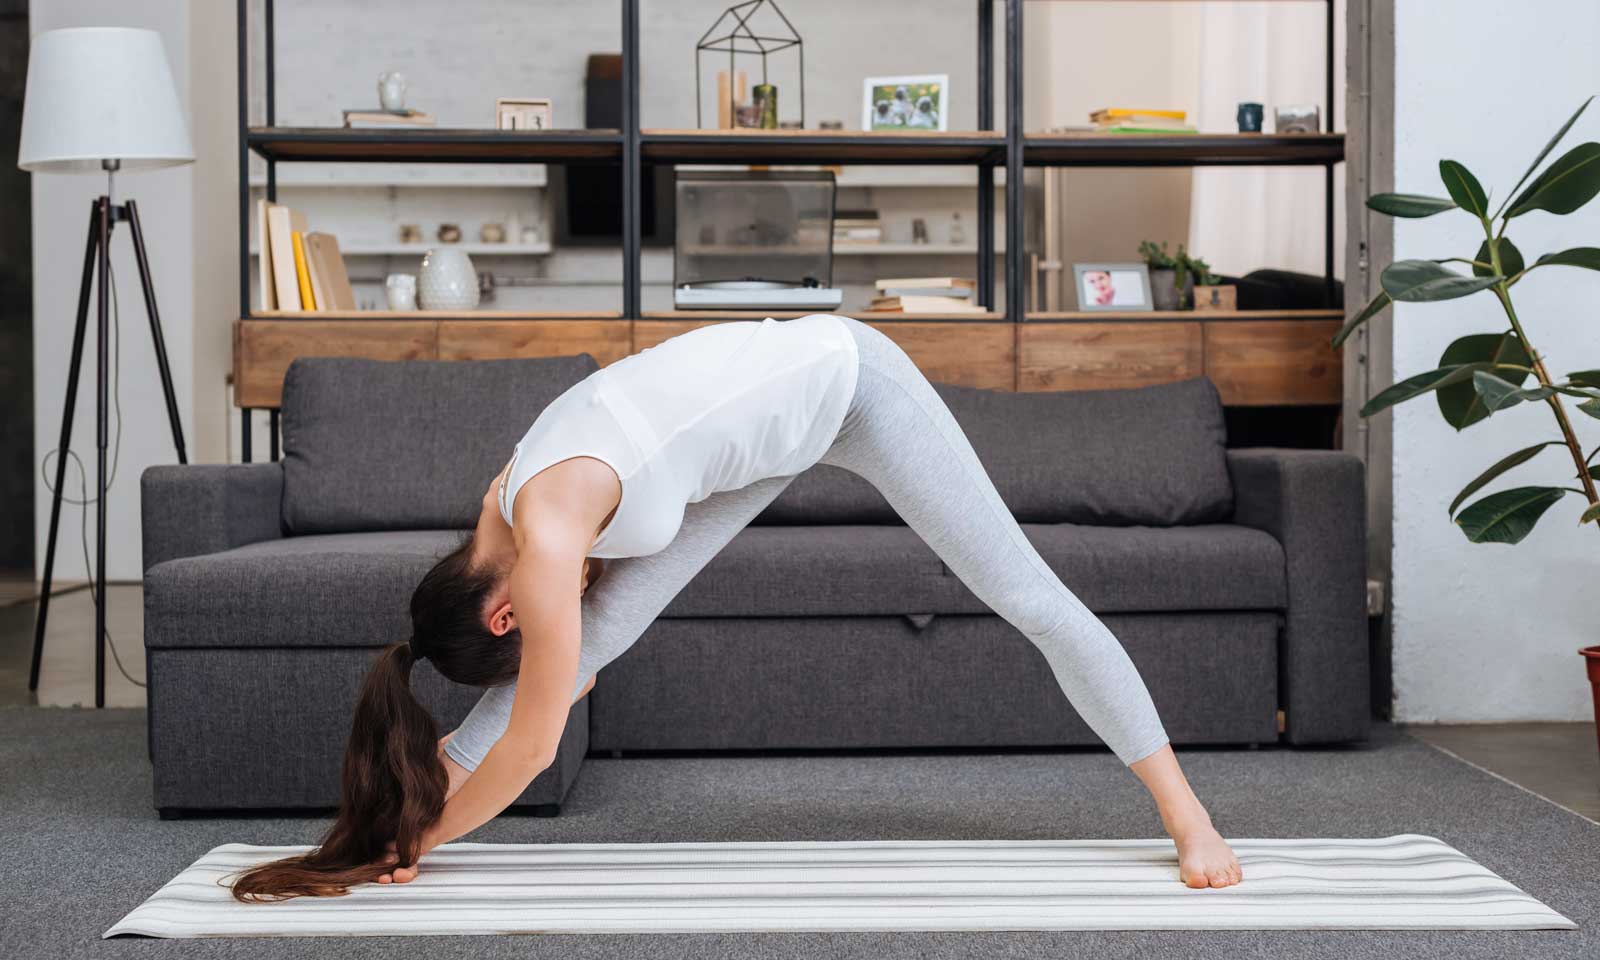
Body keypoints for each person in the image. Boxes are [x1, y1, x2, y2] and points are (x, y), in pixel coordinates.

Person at [230, 314, 1242, 901]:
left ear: (500, 615)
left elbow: (533, 747)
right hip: (740, 455)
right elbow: (556, 677)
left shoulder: (540, 546)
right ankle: (408, 809)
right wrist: (394, 834)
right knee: (595, 645)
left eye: (529, 630)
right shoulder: (496, 515)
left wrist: (426, 846)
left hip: (849, 384)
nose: (551, 617)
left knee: (1024, 592)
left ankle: (1186, 815)